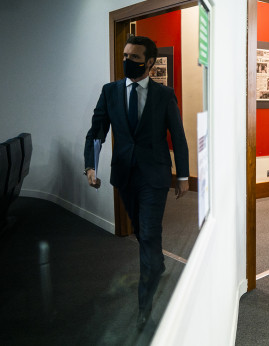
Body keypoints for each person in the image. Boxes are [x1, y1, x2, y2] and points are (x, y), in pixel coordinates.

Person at [83, 36, 189, 330]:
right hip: (124, 175)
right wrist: (90, 165)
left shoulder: (164, 95)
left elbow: (177, 137)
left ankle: (145, 307)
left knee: (150, 234)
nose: (127, 60)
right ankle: (158, 261)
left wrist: (182, 176)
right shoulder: (110, 91)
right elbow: (97, 132)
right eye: (125, 55)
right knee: (142, 230)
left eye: (134, 57)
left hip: (154, 176)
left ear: (150, 62)